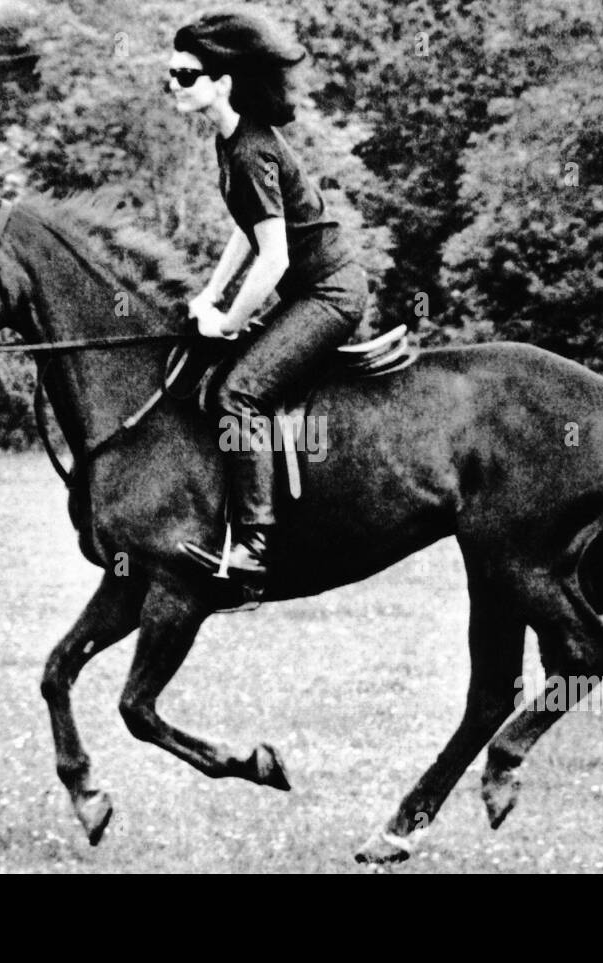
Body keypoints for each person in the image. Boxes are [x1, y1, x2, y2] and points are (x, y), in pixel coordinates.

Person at [170, 11, 369, 588]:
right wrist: (210, 293)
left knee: (239, 394)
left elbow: (275, 258)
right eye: (172, 75)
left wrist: (229, 320)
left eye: (186, 74)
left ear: (222, 83)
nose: (175, 85)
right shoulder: (231, 139)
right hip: (311, 291)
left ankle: (255, 544)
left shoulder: (251, 149)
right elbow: (247, 228)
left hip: (330, 294)